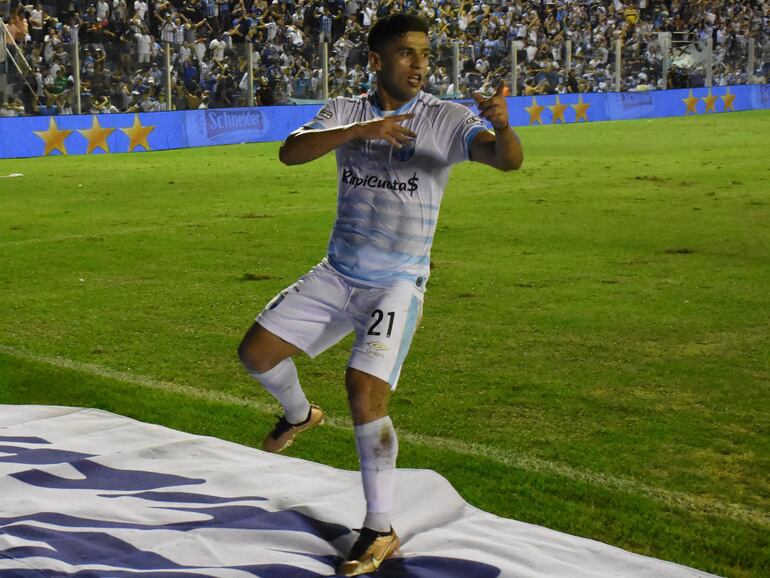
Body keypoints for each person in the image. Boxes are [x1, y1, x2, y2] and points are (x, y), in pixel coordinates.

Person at [237, 13, 522, 576]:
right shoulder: (346, 110)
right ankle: (299, 416)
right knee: (255, 354)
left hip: (397, 280)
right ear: (375, 61)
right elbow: (290, 151)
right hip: (337, 273)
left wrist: (505, 127)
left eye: (423, 54)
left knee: (364, 388)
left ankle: (379, 527)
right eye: (406, 54)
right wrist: (357, 133)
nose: (419, 65)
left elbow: (503, 159)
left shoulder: (444, 117)